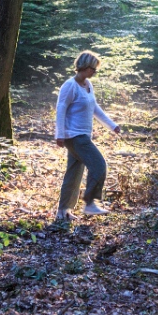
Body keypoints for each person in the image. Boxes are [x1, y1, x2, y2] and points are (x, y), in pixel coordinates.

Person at [54, 50, 121, 221]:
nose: (94, 72)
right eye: (94, 69)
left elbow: (94, 108)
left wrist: (112, 125)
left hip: (83, 135)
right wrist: (59, 135)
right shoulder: (70, 85)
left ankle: (63, 211)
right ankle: (90, 203)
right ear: (84, 66)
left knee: (74, 172)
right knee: (99, 165)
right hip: (74, 136)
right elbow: (61, 109)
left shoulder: (88, 85)